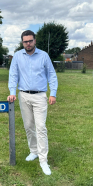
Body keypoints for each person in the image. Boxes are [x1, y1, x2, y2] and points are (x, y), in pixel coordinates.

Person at [7, 30, 58, 175]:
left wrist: (52, 93)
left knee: (41, 127)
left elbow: (52, 75)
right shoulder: (17, 56)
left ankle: (43, 160)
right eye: (25, 41)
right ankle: (34, 151)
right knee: (29, 126)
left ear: (35, 41)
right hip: (23, 96)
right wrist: (12, 92)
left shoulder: (43, 56)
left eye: (30, 41)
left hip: (40, 96)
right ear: (22, 42)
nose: (28, 44)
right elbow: (13, 75)